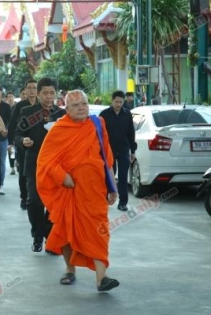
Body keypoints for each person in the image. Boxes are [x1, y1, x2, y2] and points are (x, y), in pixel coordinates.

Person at [36, 89, 120, 291]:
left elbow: (106, 155)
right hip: (68, 190)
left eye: (84, 103)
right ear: (66, 108)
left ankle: (102, 277)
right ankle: (69, 269)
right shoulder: (59, 129)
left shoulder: (97, 124)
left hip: (94, 189)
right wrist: (61, 176)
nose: (81, 108)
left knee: (98, 230)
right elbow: (45, 162)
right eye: (75, 105)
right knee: (65, 229)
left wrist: (113, 185)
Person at [14, 77, 66, 252]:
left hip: (56, 166)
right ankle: (37, 234)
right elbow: (17, 134)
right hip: (34, 163)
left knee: (54, 204)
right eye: (45, 93)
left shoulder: (61, 114)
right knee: (34, 201)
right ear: (38, 93)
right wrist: (23, 140)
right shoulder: (28, 112)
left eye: (52, 93)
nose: (49, 97)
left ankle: (49, 236)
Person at [100, 90, 137, 211]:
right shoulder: (104, 114)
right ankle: (106, 200)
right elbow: (99, 134)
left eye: (121, 102)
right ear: (112, 101)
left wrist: (133, 150)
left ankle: (123, 203)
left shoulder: (127, 114)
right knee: (109, 177)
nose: (119, 104)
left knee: (122, 177)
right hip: (108, 150)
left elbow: (131, 133)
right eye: (116, 102)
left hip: (124, 149)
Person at [8, 79, 38, 210]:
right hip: (22, 143)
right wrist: (11, 143)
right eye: (29, 87)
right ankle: (24, 197)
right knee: (23, 172)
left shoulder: (42, 105)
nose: (31, 90)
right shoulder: (20, 106)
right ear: (25, 90)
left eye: (34, 88)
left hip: (38, 143)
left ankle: (36, 196)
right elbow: (13, 125)